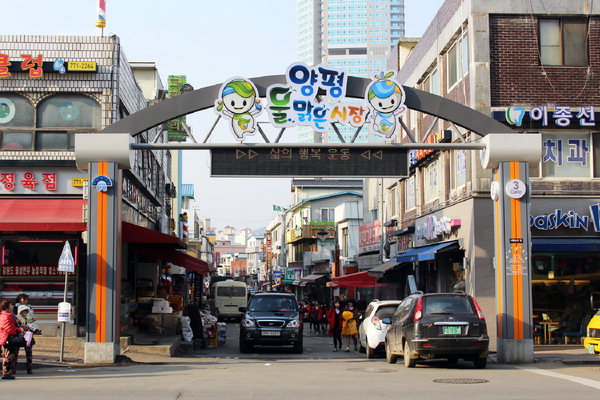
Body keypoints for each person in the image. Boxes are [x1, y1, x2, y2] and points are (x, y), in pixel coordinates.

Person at [0, 299, 22, 379]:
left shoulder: (7, 315)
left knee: (9, 356)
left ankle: (7, 372)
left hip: (7, 338)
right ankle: (6, 373)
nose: (12, 307)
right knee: (8, 356)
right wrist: (18, 330)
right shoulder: (6, 316)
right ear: (7, 307)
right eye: (10, 305)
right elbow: (9, 329)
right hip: (7, 339)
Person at [15, 305, 36, 374]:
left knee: (29, 353)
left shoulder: (29, 318)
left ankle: (29, 369)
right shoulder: (17, 319)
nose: (24, 313)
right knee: (15, 353)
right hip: (19, 337)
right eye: (22, 312)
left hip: (27, 337)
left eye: (25, 312)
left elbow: (34, 326)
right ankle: (13, 368)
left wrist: (31, 328)